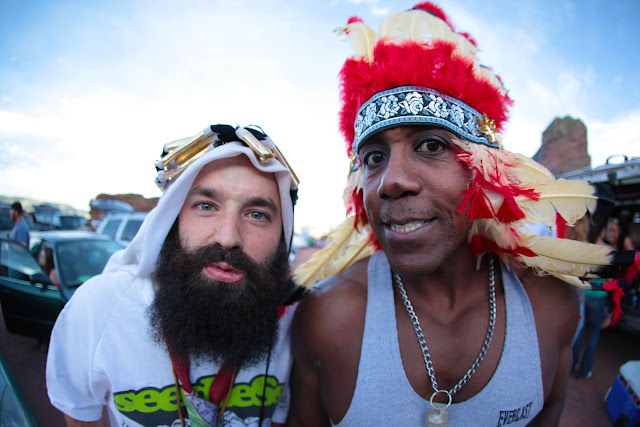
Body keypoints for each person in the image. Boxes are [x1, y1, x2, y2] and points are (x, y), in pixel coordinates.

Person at [288, 3, 640, 426]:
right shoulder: (328, 316)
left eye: (431, 145)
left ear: (484, 172)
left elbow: (549, 410)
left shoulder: (551, 303)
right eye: (375, 156)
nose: (389, 181)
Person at [46, 124, 303, 427]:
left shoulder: (293, 320)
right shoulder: (99, 307)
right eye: (206, 206)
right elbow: (80, 414)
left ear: (281, 239)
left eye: (257, 214)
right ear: (173, 222)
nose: (228, 237)